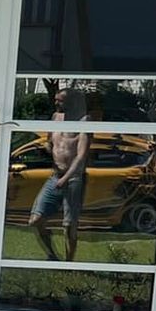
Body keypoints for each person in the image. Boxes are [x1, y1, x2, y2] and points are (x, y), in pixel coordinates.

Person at [29, 80, 91, 261]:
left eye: (60, 100)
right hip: (55, 175)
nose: (56, 103)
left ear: (71, 102)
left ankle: (69, 262)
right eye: (56, 100)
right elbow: (50, 141)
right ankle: (52, 255)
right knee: (36, 220)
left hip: (73, 179)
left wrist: (66, 179)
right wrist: (47, 149)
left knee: (69, 225)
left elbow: (81, 156)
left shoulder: (83, 121)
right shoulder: (55, 117)